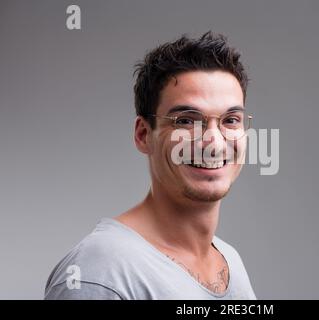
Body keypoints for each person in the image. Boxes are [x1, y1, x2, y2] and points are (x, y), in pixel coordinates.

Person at [44, 31, 257, 299]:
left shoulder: (231, 263)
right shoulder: (99, 275)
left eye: (230, 120)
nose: (213, 142)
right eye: (186, 121)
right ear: (144, 135)